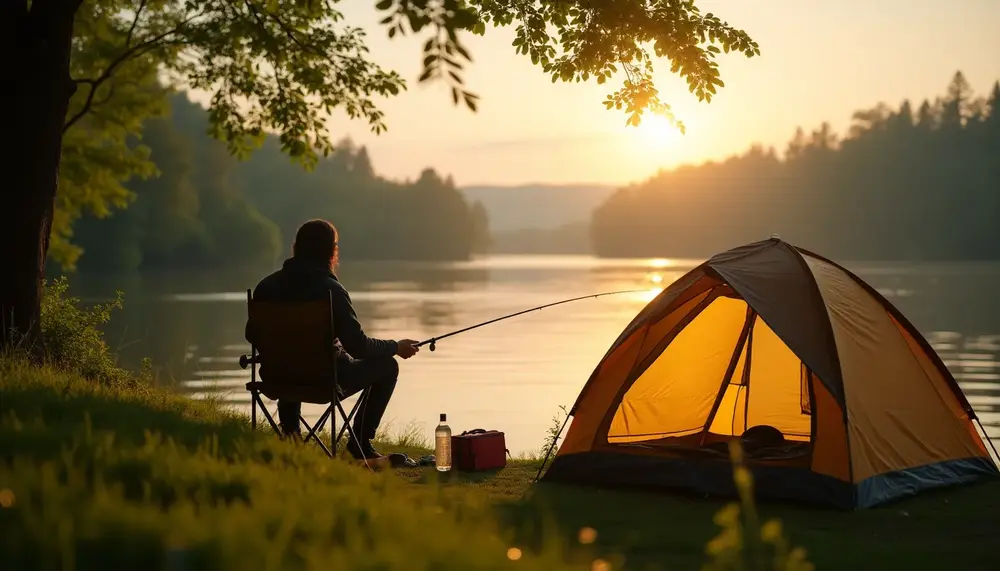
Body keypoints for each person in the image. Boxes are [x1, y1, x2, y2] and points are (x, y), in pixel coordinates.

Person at [245, 219, 420, 461]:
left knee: (290, 357)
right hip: (324, 380)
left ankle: (290, 435)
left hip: (276, 378)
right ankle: (359, 443)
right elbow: (358, 347)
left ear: (296, 248)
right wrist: (395, 347)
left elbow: (251, 335)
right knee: (388, 366)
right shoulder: (331, 290)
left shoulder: (266, 287)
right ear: (332, 251)